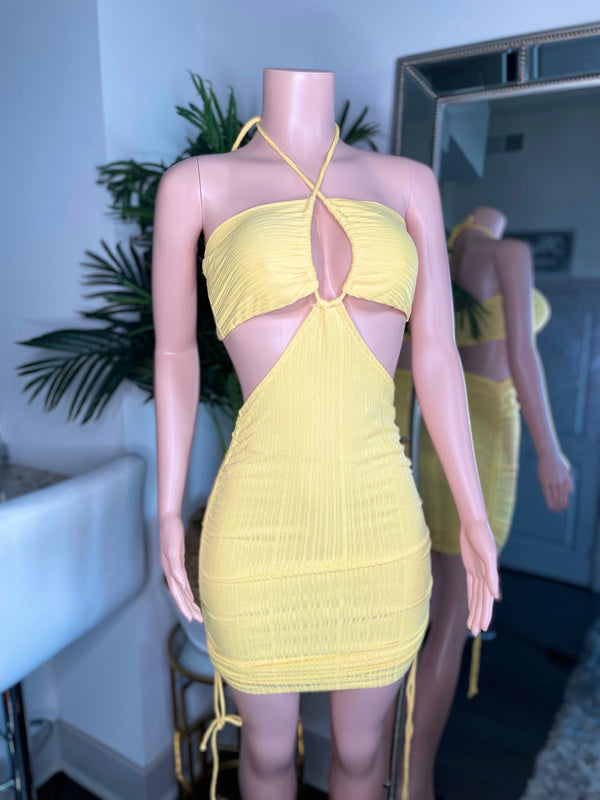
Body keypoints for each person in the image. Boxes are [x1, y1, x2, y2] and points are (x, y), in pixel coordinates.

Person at [152, 69, 499, 800]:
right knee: (266, 757)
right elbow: (175, 353)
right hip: (255, 534)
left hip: (381, 532)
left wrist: (473, 514)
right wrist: (167, 510)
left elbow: (437, 356)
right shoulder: (196, 184)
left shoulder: (409, 183)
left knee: (365, 756)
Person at [394, 206, 573, 800]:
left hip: (427, 428)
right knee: (450, 617)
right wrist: (550, 451)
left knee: (421, 610)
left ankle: (391, 762)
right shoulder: (508, 252)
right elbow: (522, 356)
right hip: (485, 436)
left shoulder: (433, 261)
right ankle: (416, 778)